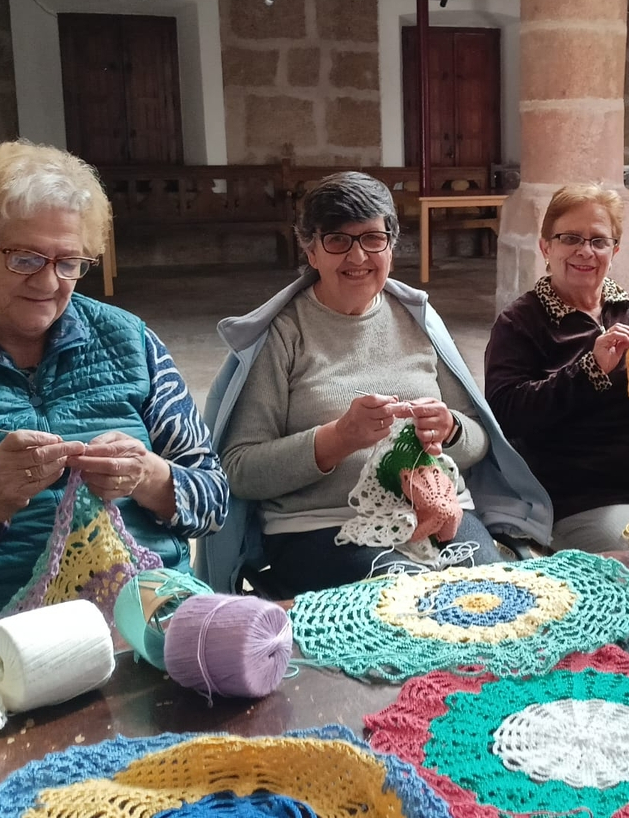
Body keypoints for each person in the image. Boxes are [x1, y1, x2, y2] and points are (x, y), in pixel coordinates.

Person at [0, 140, 229, 652]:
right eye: (25, 258)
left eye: (69, 262)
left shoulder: (132, 342)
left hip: (146, 633)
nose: (49, 282)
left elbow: (214, 500)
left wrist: (148, 477)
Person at [204, 171, 550, 596]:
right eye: (337, 240)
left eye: (372, 238)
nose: (358, 256)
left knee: (500, 597)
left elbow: (478, 443)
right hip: (323, 526)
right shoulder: (282, 334)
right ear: (311, 251)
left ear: (391, 247)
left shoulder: (418, 319)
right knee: (409, 602)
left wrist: (450, 430)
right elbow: (238, 471)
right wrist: (338, 438)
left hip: (441, 514)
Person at [484, 183, 629, 553]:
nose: (585, 251)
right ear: (546, 247)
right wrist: (590, 370)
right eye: (570, 238)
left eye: (599, 241)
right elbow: (506, 413)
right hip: (590, 499)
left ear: (614, 250)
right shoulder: (521, 323)